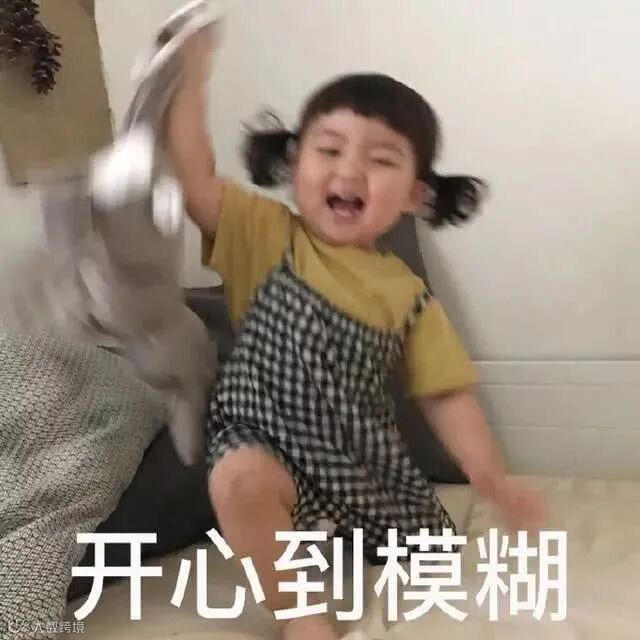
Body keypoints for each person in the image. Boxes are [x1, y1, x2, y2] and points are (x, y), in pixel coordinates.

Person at [166, 29, 547, 640]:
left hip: (357, 454)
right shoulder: (265, 233)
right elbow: (194, 180)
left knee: (424, 548)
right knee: (236, 479)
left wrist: (491, 476)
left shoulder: (406, 294)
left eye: (382, 159)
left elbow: (446, 393)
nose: (349, 170)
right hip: (261, 431)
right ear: (295, 163)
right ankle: (302, 616)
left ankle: (342, 532)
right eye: (329, 149)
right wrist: (189, 79)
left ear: (415, 195)